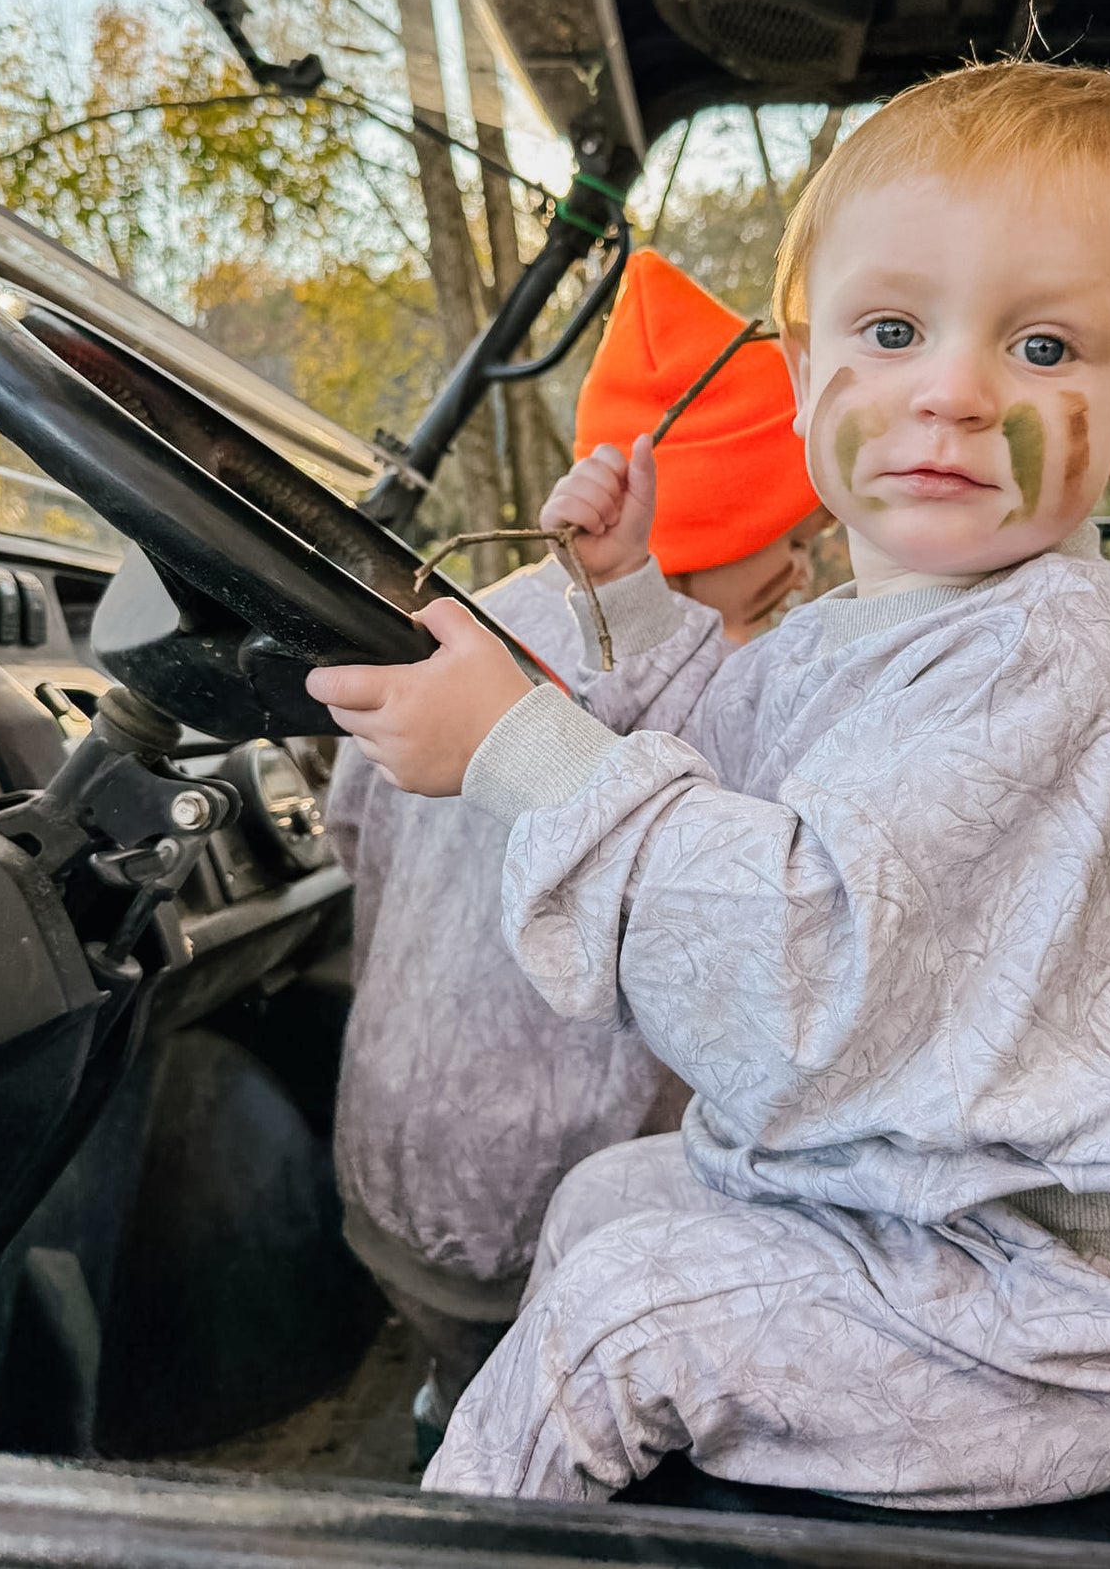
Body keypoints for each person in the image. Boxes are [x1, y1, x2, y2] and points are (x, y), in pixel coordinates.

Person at [309, 61, 1110, 1511]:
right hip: (906, 1217)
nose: (951, 390)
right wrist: (626, 593)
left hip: (1034, 1315)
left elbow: (796, 954)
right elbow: (707, 751)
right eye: (892, 328)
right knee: (596, 1200)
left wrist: (515, 742)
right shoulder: (859, 627)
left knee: (616, 1310)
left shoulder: (1043, 660)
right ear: (803, 360)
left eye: (1040, 346)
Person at [325, 249, 825, 1447]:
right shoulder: (724, 691)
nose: (808, 556)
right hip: (560, 1196)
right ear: (716, 517)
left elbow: (352, 828)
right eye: (791, 525)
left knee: (460, 1359)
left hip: (382, 1150)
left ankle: (446, 1400)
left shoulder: (446, 617)